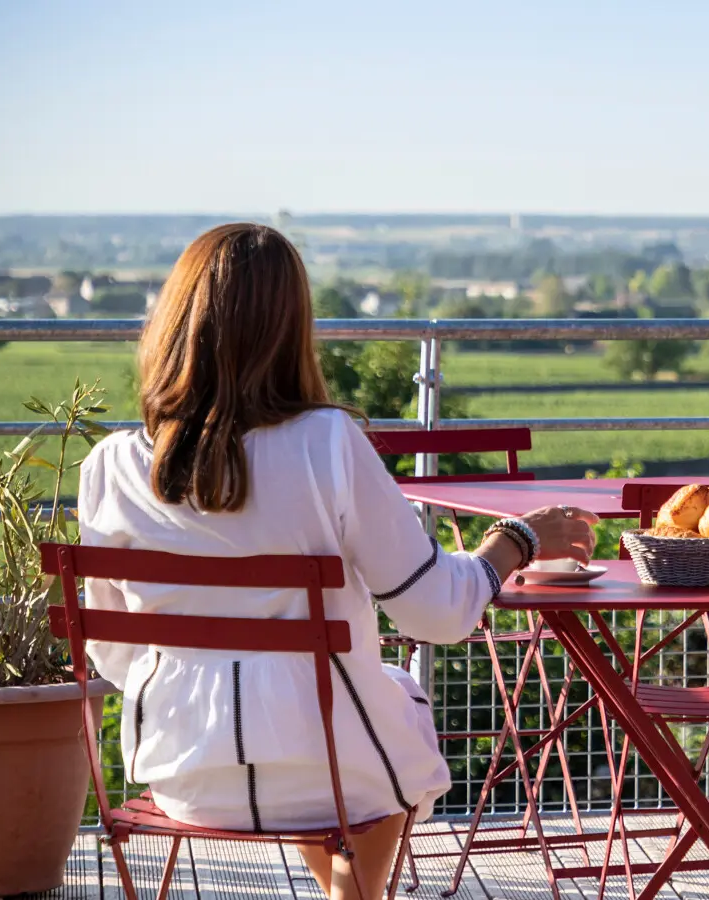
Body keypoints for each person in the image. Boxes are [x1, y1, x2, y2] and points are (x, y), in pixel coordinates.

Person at [78, 223, 599, 900]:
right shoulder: (325, 443)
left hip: (182, 772)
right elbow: (437, 614)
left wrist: (218, 683)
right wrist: (515, 541)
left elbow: (114, 655)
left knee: (341, 720)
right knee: (392, 714)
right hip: (327, 771)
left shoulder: (110, 467)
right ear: (291, 329)